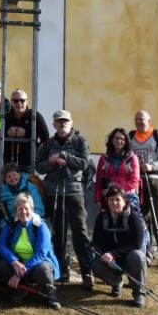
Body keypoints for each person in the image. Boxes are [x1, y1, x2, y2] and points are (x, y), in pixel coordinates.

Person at [35, 110, 93, 288]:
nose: (62, 124)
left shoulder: (79, 141)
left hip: (74, 191)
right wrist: (51, 160)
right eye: (59, 122)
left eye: (65, 121)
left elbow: (84, 163)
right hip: (53, 192)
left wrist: (64, 157)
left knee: (80, 232)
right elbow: (39, 167)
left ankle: (86, 271)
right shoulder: (48, 144)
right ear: (54, 124)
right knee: (58, 233)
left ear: (71, 122)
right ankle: (61, 270)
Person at [0, 192, 61, 309]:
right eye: (20, 209)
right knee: (1, 264)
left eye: (26, 209)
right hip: (18, 264)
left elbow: (41, 253)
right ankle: (21, 289)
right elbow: (1, 245)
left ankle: (50, 293)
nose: (23, 212)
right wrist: (14, 261)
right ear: (15, 210)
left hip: (37, 263)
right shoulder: (10, 225)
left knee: (42, 268)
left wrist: (20, 272)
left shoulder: (40, 226)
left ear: (32, 209)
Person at [129, 109, 158, 268]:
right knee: (142, 219)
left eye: (142, 119)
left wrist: (151, 166)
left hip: (155, 181)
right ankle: (146, 254)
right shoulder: (131, 137)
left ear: (149, 121)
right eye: (136, 119)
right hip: (138, 183)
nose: (139, 121)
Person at [89, 185, 148, 308]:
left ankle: (139, 293)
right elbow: (97, 241)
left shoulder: (133, 218)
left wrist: (114, 254)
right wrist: (106, 255)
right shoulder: (101, 218)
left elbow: (136, 244)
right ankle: (116, 282)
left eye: (117, 199)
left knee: (138, 256)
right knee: (95, 265)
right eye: (111, 199)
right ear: (107, 201)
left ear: (125, 201)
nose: (114, 202)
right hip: (110, 259)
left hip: (130, 257)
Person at [94, 128, 140, 208]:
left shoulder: (132, 158)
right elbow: (99, 180)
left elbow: (134, 181)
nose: (119, 141)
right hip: (109, 198)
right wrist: (97, 199)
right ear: (112, 140)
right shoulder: (104, 158)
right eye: (116, 138)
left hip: (127, 196)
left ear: (126, 142)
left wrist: (114, 188)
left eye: (122, 139)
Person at [3, 89, 49, 170]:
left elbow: (45, 136)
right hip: (8, 162)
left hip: (28, 162)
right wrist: (6, 133)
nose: (19, 103)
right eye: (16, 100)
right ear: (11, 102)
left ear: (27, 102)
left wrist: (26, 134)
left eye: (22, 100)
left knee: (27, 182)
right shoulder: (6, 117)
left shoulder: (35, 115)